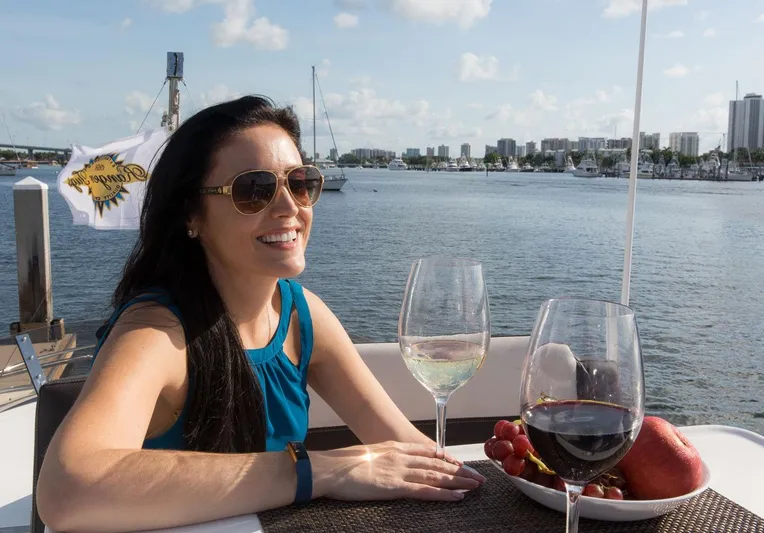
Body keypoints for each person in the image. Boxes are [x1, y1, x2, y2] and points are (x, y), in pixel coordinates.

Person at [36, 95, 485, 532]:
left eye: (300, 182)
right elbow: (67, 491)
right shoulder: (157, 332)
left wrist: (523, 470)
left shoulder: (301, 314)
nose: (290, 207)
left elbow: (406, 448)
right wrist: (320, 471)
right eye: (254, 190)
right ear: (191, 214)